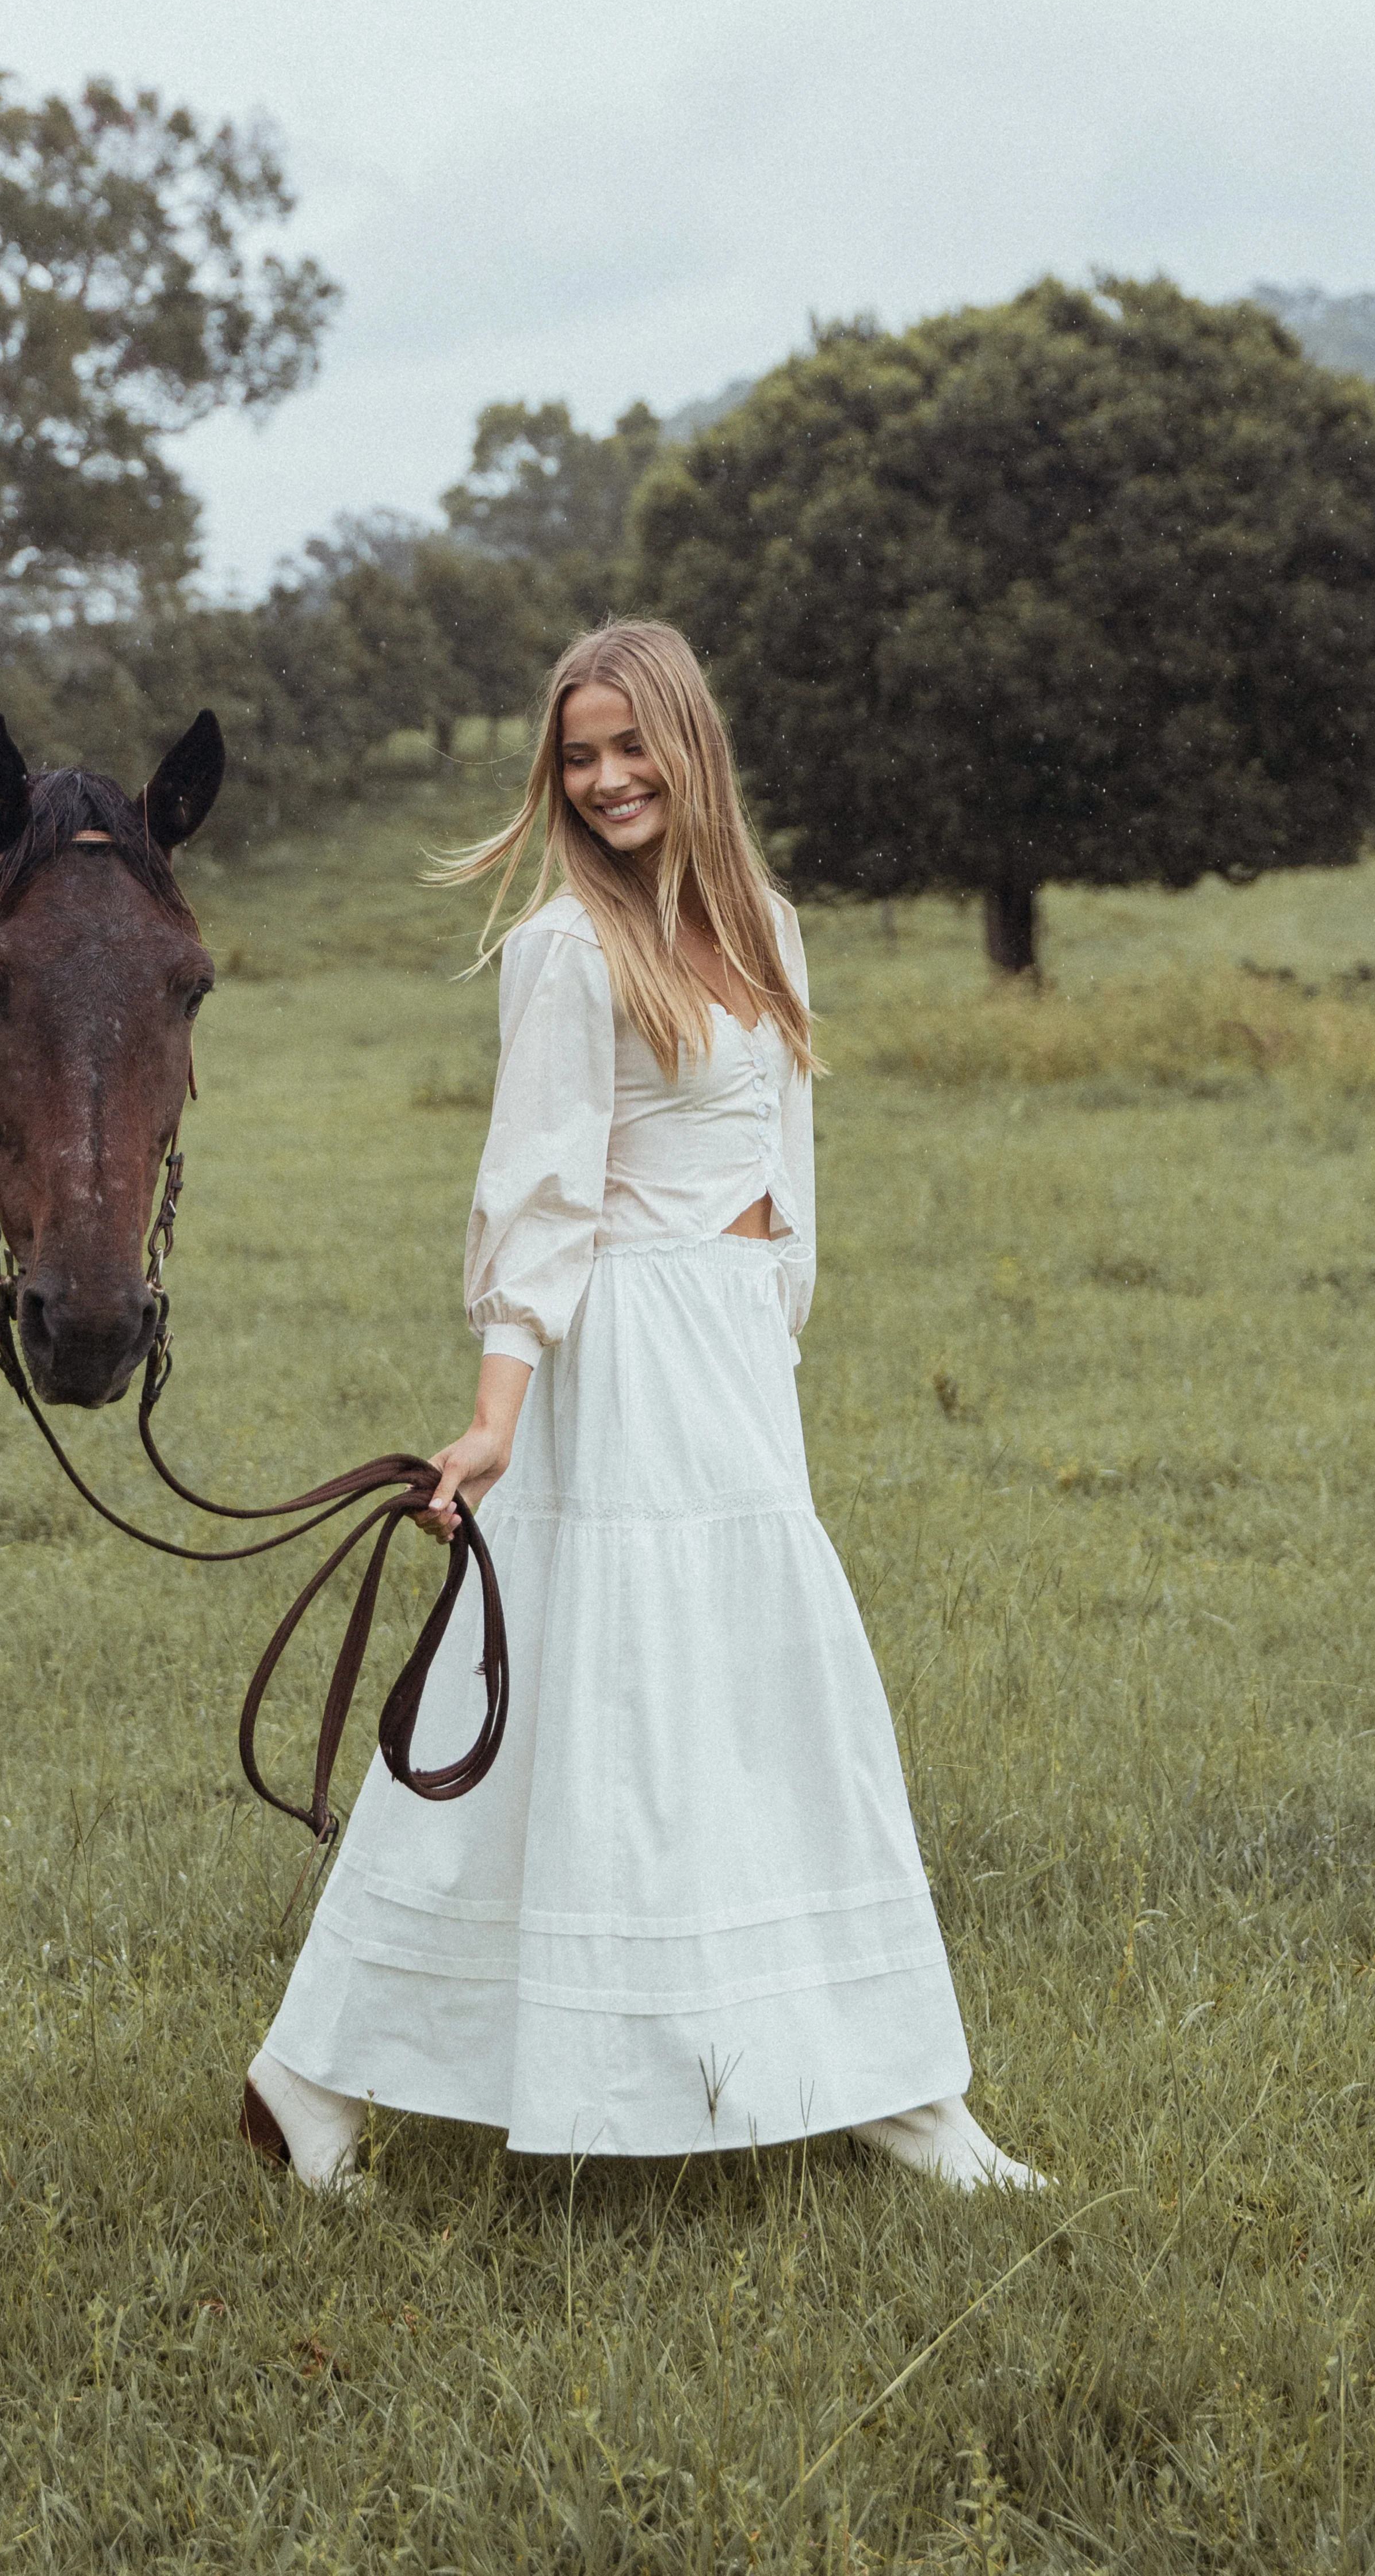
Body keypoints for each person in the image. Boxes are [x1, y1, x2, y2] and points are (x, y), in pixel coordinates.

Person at [242, 620, 1041, 2195]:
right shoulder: (566, 950)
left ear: (690, 745)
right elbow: (536, 1194)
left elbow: (786, 1183)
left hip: (732, 1364)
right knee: (592, 1709)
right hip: (616, 1362)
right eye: (577, 757)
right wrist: (492, 1413)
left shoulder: (769, 935)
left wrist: (771, 1350)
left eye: (628, 746)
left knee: (738, 1701)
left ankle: (887, 2085)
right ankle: (314, 2077)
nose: (605, 780)